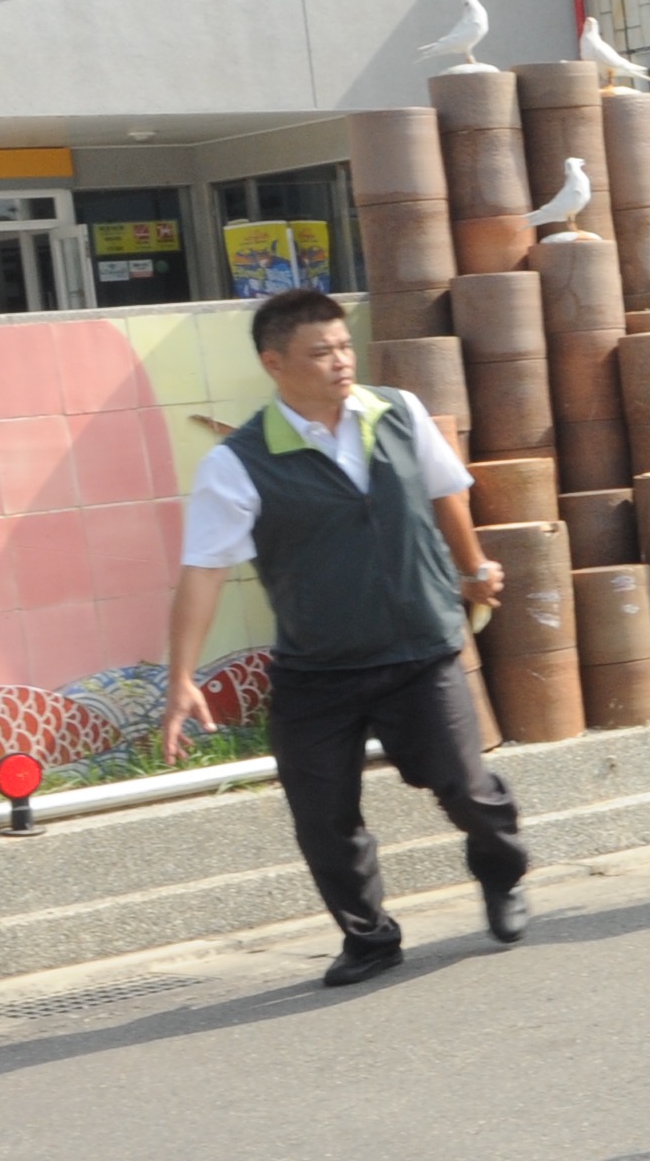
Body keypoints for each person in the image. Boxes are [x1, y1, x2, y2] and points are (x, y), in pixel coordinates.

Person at [158, 286, 524, 987]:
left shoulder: (399, 412)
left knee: (466, 788)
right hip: (317, 670)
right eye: (319, 351)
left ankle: (502, 873)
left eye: (344, 346)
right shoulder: (237, 463)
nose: (340, 361)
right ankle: (370, 938)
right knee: (322, 817)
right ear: (274, 363)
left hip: (420, 649)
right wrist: (181, 677)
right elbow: (202, 573)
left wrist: (472, 568)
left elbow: (447, 490)